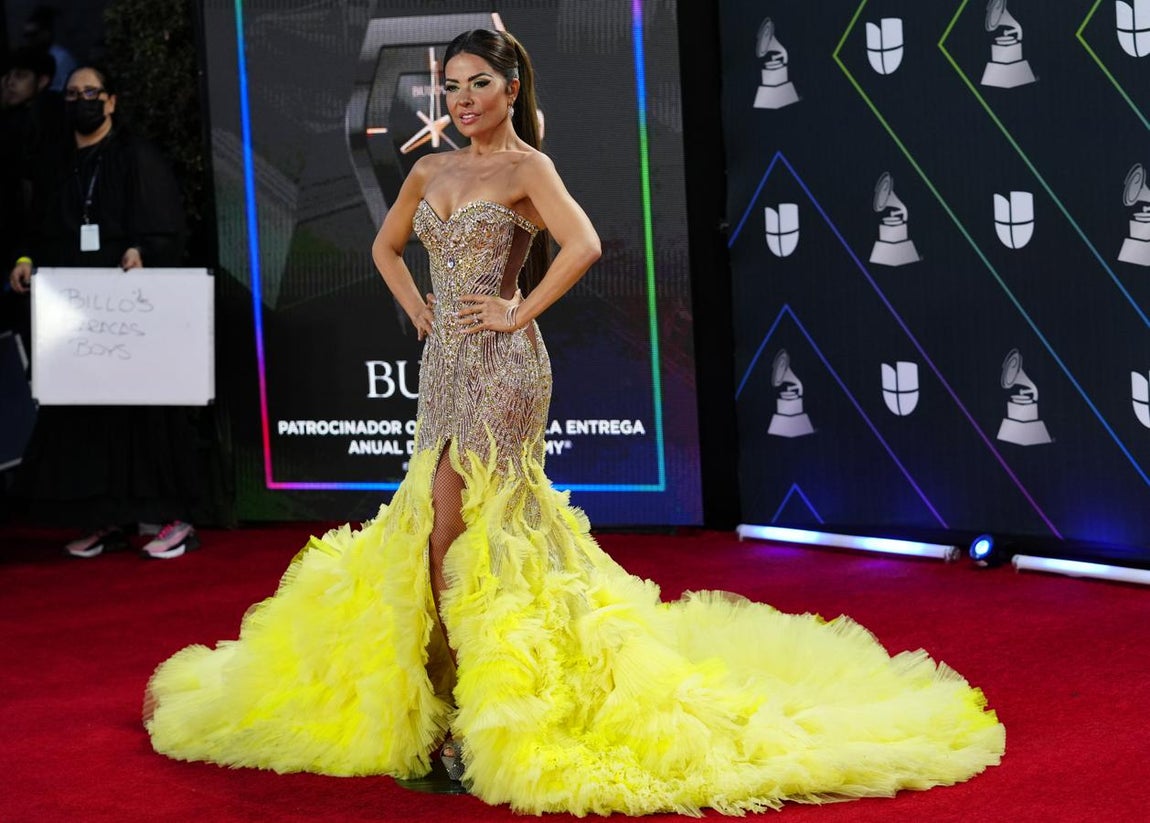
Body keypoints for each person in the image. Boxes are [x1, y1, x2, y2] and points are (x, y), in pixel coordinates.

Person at [143, 29, 1004, 815]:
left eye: (480, 83)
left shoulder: (526, 169)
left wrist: (518, 314)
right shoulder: (429, 170)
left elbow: (585, 244)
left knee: (460, 525)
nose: (463, 99)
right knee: (455, 529)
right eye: (450, 87)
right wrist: (419, 311)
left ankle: (470, 708)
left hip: (506, 372)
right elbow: (384, 247)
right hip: (444, 363)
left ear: (512, 88)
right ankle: (465, 690)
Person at [7, 66, 202, 559]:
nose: (82, 101)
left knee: (147, 413)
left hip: (132, 310)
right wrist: (26, 261)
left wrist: (143, 251)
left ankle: (175, 519)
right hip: (77, 314)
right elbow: (35, 228)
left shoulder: (135, 157)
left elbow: (165, 226)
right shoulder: (55, 163)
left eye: (91, 93)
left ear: (111, 101)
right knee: (88, 416)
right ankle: (106, 519)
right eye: (72, 94)